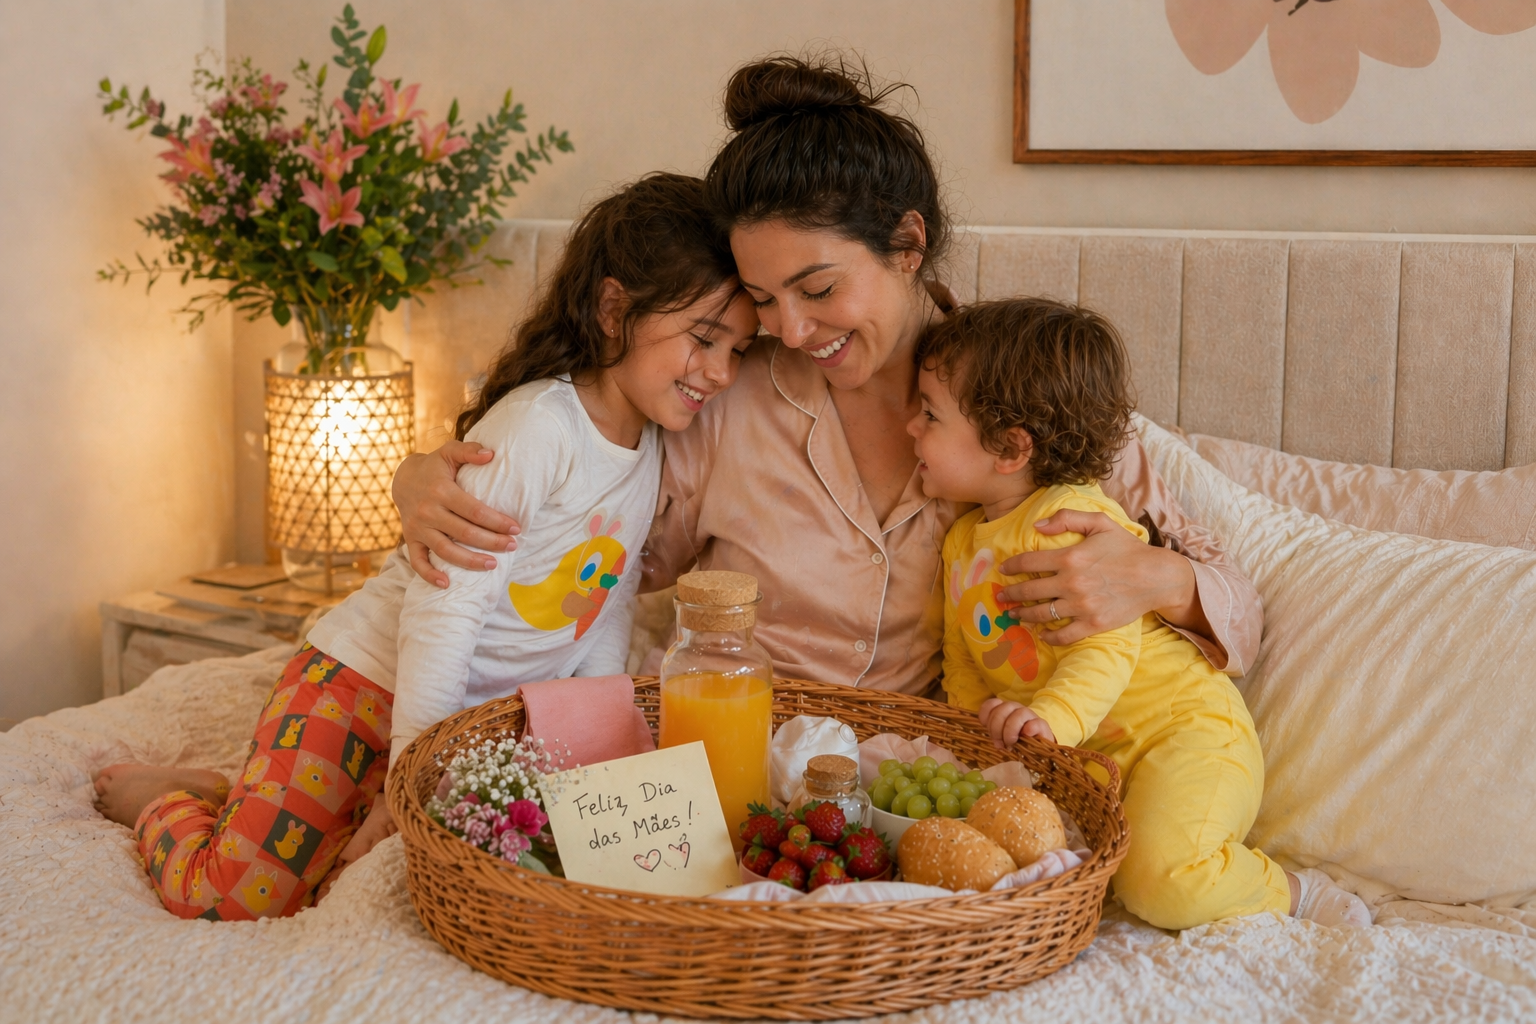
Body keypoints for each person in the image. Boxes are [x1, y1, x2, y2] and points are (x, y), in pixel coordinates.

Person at [392, 54, 1262, 701]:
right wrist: (434, 477)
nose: (791, 332)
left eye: (818, 289)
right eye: (764, 300)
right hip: (725, 758)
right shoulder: (728, 398)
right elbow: (596, 543)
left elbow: (1245, 616)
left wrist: (1165, 583)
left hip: (920, 783)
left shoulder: (1025, 393)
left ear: (908, 245)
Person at [92, 173, 758, 919]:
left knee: (370, 887)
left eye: (738, 349)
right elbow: (448, 610)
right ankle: (165, 799)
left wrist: (594, 741)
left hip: (467, 719)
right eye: (704, 339)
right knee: (234, 898)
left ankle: (249, 791)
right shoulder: (540, 427)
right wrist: (412, 776)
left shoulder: (655, 446)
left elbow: (605, 606)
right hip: (367, 683)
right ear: (613, 310)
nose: (722, 373)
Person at [911, 297, 1370, 930]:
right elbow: (965, 654)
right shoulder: (964, 541)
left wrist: (1050, 720)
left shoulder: (1067, 520)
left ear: (1010, 448)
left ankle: (1291, 892)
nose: (911, 427)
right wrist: (973, 733)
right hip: (1090, 760)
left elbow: (1106, 647)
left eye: (930, 415)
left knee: (1160, 884)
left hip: (1183, 734)